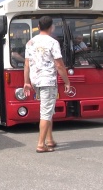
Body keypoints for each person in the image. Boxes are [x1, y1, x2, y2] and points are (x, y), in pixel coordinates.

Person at [23, 16, 71, 153]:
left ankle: (50, 140)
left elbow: (26, 64)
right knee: (45, 113)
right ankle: (40, 144)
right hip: (48, 81)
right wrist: (67, 82)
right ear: (52, 27)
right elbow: (59, 65)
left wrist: (26, 82)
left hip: (35, 81)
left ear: (38, 26)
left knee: (48, 110)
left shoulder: (30, 42)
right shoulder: (53, 42)